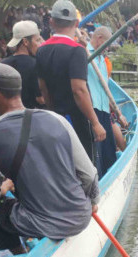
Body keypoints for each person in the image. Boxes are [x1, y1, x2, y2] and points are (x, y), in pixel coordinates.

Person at [0, 63, 100, 255]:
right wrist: (93, 202)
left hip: (40, 225)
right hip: (81, 217)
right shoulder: (57, 119)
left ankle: (18, 254)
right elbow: (89, 175)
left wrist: (6, 185)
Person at [36, 0, 106, 162]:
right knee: (85, 164)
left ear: (52, 22)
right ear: (76, 23)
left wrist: (53, 111)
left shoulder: (41, 50)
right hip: (77, 119)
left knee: (61, 161)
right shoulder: (77, 51)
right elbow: (79, 90)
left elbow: (43, 88)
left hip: (56, 118)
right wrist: (95, 122)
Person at [87, 26, 127, 176]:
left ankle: (110, 178)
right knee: (97, 153)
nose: (108, 48)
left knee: (109, 151)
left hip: (104, 109)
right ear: (99, 39)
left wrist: (116, 113)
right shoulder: (85, 54)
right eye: (107, 44)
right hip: (93, 109)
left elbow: (105, 89)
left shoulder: (102, 60)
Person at [2, 20, 44, 109]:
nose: (40, 44)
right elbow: (40, 99)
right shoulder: (36, 64)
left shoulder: (3, 65)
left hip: (9, 116)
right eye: (37, 40)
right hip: (31, 117)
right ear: (25, 42)